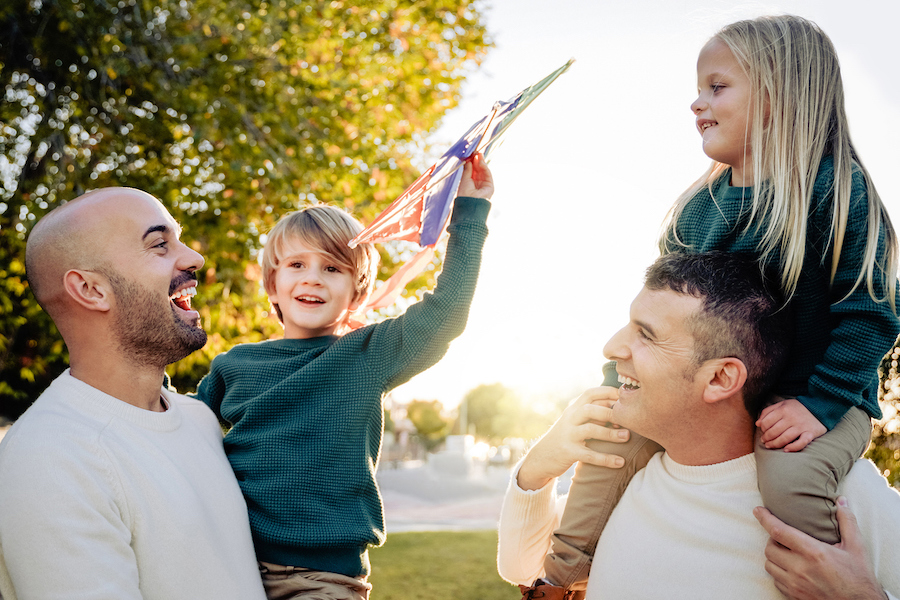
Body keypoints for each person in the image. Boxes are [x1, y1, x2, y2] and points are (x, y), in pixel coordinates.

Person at [537, 14, 900, 596]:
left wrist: (822, 401)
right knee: (609, 441)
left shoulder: (839, 192)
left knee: (791, 478)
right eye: (699, 87)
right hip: (713, 390)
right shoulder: (696, 207)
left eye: (717, 86)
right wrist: (625, 378)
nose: (697, 102)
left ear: (781, 93)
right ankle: (560, 577)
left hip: (819, 393)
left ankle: (819, 582)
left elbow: (870, 313)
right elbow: (661, 313)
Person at [497, 251, 900, 600]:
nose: (612, 348)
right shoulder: (630, 479)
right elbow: (521, 567)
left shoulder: (843, 497)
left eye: (647, 336)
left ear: (720, 379)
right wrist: (541, 462)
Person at [195, 154, 494, 599]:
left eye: (332, 268)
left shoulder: (367, 355)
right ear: (272, 284)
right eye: (296, 265)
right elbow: (180, 426)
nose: (313, 278)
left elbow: (446, 312)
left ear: (357, 290)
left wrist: (469, 213)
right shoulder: (234, 365)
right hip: (230, 563)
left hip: (322, 579)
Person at [0, 188, 267, 599]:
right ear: (91, 289)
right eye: (160, 244)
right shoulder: (48, 458)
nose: (194, 258)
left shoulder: (199, 419)